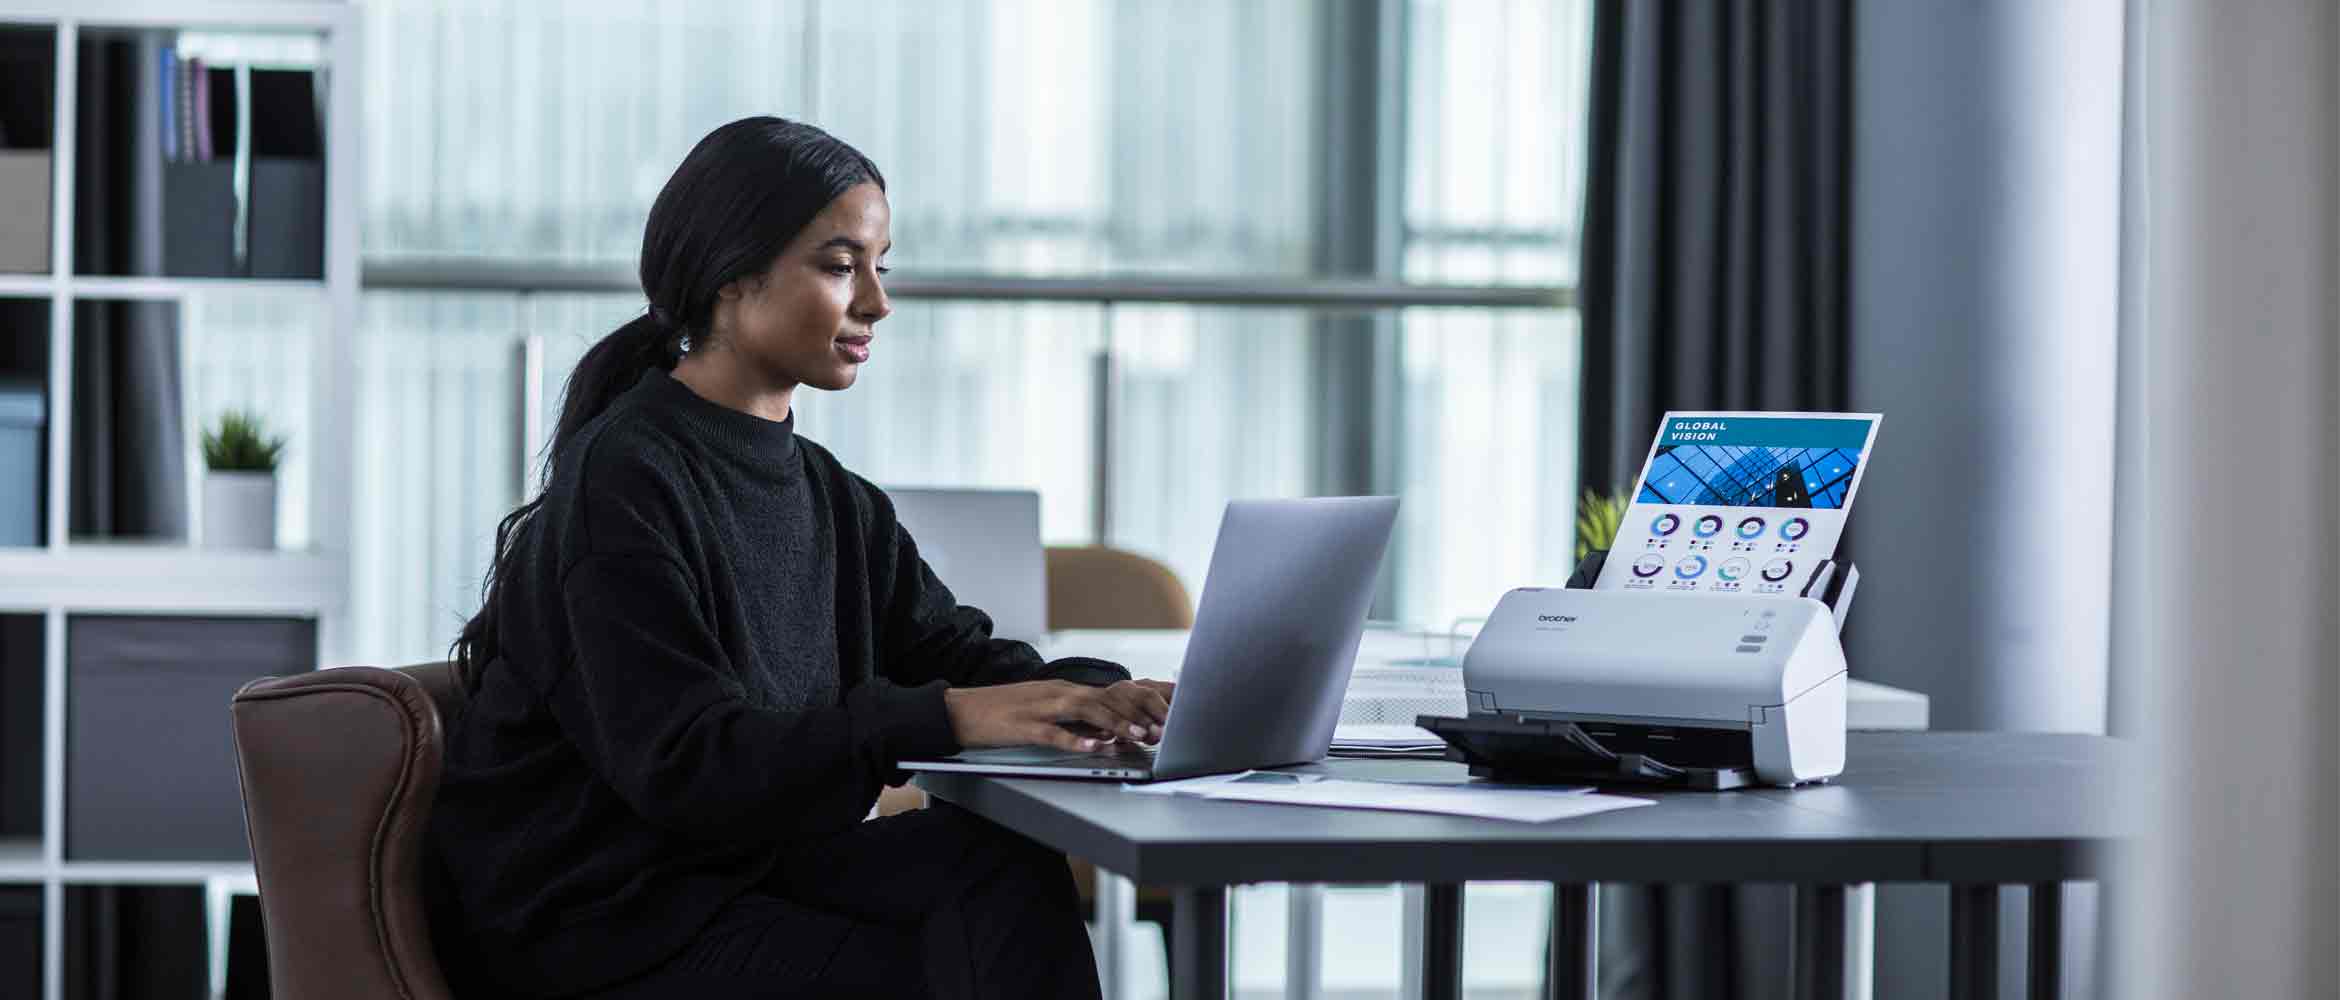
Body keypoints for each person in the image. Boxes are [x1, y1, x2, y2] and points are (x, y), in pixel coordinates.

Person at [424, 116, 1172, 1000]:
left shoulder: (828, 492)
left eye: (879, 267)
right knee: (935, 967)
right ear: (732, 275)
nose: (876, 305)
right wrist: (952, 717)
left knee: (999, 864)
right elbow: (692, 765)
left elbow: (958, 655)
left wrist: (1100, 698)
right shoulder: (625, 478)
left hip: (736, 878)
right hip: (607, 923)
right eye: (839, 265)